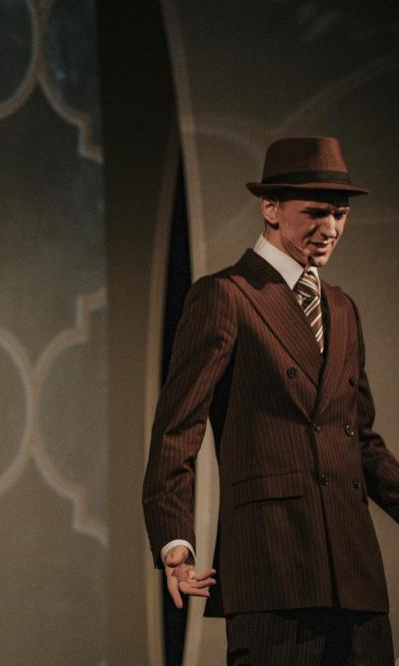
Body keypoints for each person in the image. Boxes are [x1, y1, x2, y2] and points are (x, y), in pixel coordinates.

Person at [142, 136, 399, 663]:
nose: (331, 228)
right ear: (270, 207)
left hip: (355, 575)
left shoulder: (342, 309)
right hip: (273, 567)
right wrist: (175, 542)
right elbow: (178, 428)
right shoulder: (227, 295)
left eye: (340, 214)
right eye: (316, 213)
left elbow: (361, 441)